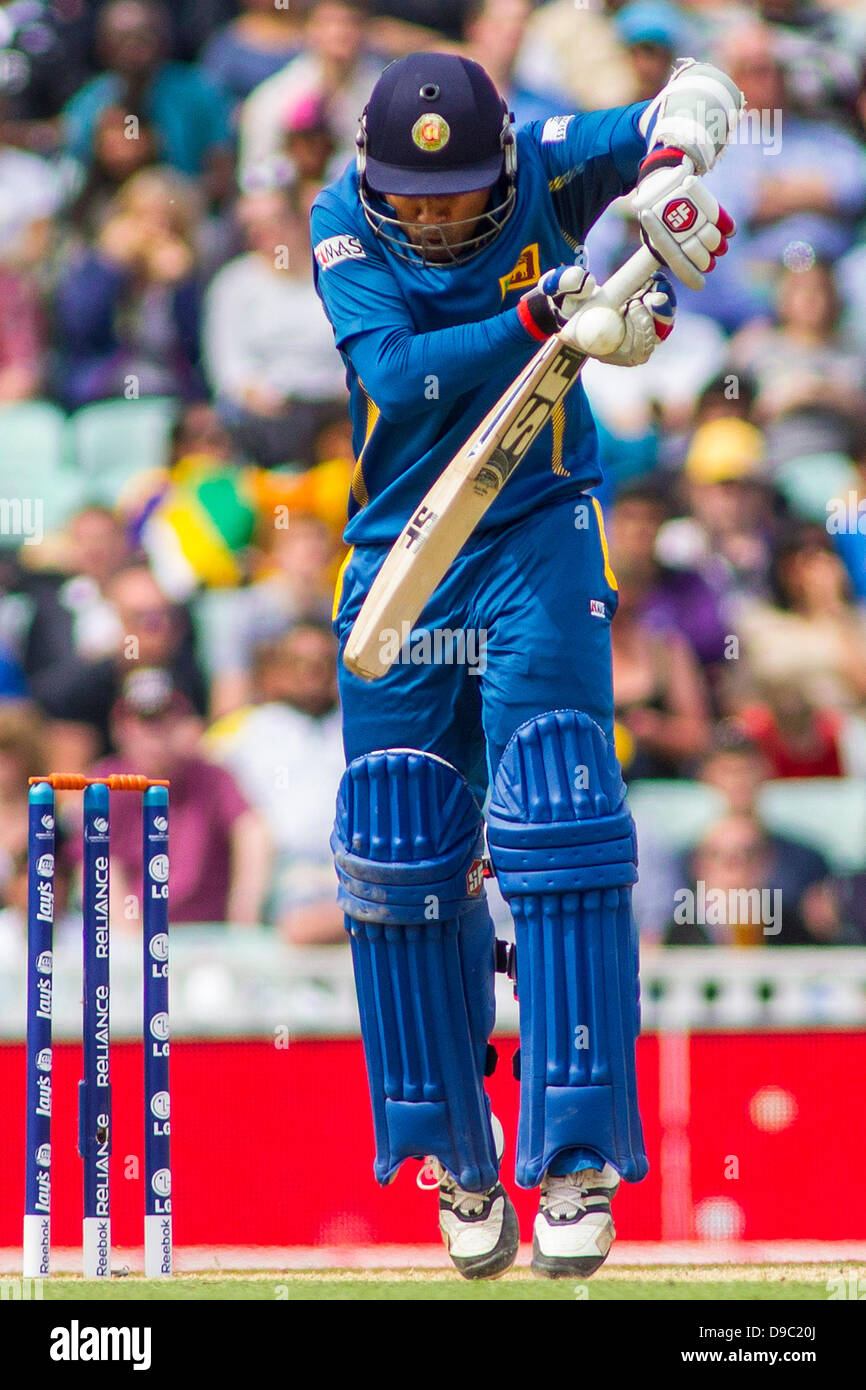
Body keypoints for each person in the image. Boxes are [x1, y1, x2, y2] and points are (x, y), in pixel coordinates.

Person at [313, 52, 740, 1278]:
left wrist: (676, 171)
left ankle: (577, 1160)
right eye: (414, 195)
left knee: (557, 810)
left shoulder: (542, 158)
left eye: (457, 195)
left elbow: (672, 111)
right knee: (397, 848)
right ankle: (452, 1149)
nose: (436, 215)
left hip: (538, 527)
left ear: (499, 162)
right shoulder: (342, 216)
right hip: (397, 543)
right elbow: (393, 373)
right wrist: (546, 313)